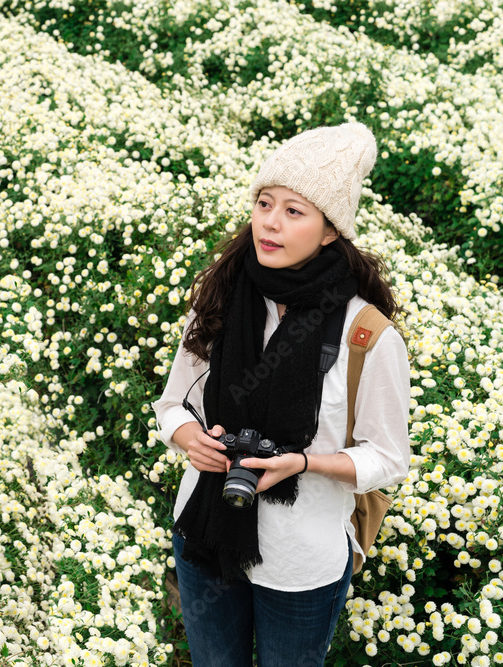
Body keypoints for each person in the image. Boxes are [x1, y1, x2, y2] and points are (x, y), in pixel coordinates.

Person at [151, 122, 411, 667]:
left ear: (330, 231)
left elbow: (388, 458)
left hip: (302, 560)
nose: (270, 222)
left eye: (295, 211)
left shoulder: (365, 335)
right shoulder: (221, 299)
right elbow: (172, 403)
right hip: (204, 533)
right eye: (265, 203)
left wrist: (303, 463)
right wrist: (188, 438)